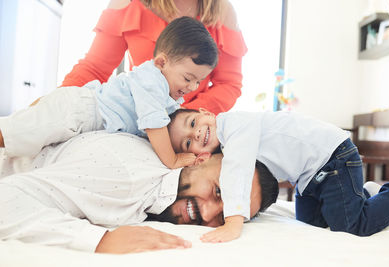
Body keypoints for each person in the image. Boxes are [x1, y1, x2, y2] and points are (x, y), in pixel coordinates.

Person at [0, 131, 279, 254]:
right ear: (202, 158)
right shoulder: (125, 175)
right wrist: (102, 240)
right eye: (218, 192)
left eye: (226, 215)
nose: (206, 214)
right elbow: (6, 199)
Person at [0, 16, 218, 169]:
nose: (191, 88)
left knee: (27, 149)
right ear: (162, 62)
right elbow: (154, 124)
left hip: (86, 120)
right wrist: (173, 160)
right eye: (188, 78)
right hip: (80, 110)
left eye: (198, 82)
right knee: (20, 132)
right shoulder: (153, 80)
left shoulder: (170, 100)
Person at [166, 108, 389, 242]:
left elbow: (238, 170)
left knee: (350, 225)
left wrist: (233, 221)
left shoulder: (235, 125)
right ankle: (363, 194)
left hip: (332, 157)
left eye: (193, 121)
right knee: (311, 223)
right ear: (198, 157)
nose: (195, 133)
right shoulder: (224, 149)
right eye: (188, 142)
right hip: (308, 177)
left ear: (207, 112)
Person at [61, 0, 247, 115]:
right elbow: (94, 69)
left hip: (190, 126)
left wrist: (182, 116)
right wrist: (58, 99)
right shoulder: (128, 3)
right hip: (137, 115)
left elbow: (228, 85)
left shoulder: (223, 11)